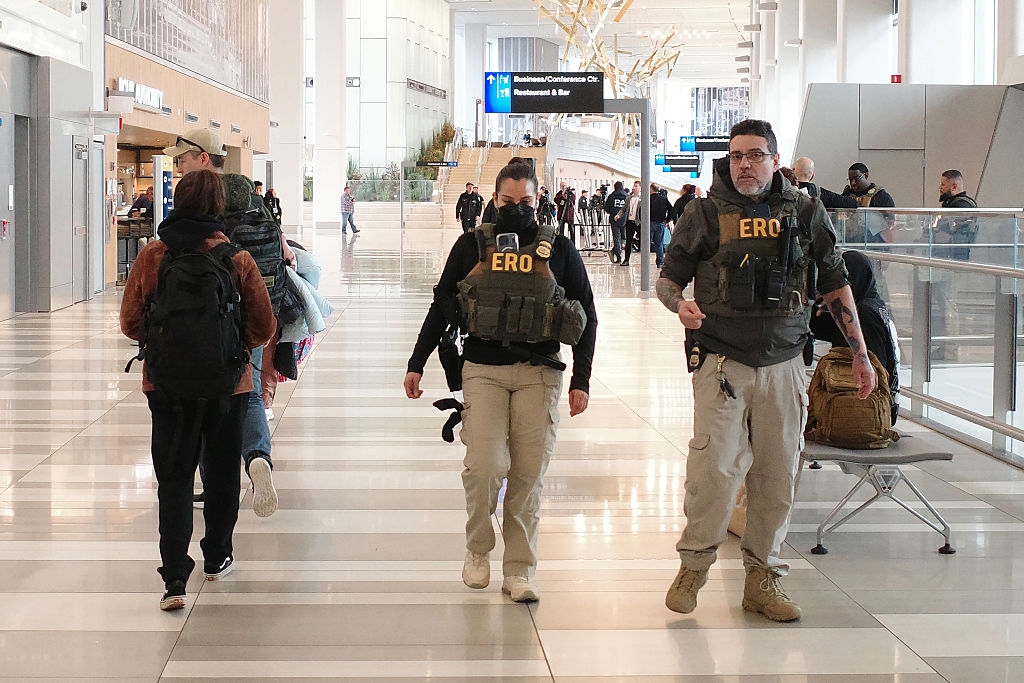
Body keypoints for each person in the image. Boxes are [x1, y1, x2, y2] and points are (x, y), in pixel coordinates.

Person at [656, 119, 874, 622]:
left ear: (775, 160)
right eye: (736, 156)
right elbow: (669, 279)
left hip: (784, 365)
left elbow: (836, 285)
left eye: (755, 155)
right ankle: (694, 567)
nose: (745, 164)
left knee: (777, 477)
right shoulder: (704, 213)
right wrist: (679, 305)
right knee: (712, 472)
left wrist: (861, 354)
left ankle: (763, 577)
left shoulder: (805, 210)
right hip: (722, 363)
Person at [403, 158, 598, 603]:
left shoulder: (560, 249)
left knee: (529, 477)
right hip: (483, 369)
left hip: (541, 372)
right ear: (494, 199)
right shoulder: (471, 246)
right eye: (508, 201)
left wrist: (581, 379)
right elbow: (441, 305)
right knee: (485, 467)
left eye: (525, 202)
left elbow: (586, 315)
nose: (517, 209)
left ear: (539, 199)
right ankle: (478, 550)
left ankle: (520, 571)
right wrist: (418, 361)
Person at [119, 169, 276, 611]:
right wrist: (230, 346)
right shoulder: (236, 258)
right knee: (222, 474)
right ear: (218, 207)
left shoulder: (153, 255)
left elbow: (129, 322)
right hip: (228, 386)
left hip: (166, 386)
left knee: (173, 479)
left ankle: (173, 579)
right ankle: (217, 555)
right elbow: (262, 327)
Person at [162, 129, 285, 517]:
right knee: (245, 396)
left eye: (181, 159)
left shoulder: (200, 205)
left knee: (198, 400)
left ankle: (209, 480)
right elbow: (280, 250)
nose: (178, 166)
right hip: (249, 314)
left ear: (202, 158)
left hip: (198, 327)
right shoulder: (249, 194)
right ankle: (257, 459)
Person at [810, 250, 900, 426]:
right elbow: (823, 328)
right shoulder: (873, 304)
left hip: (871, 410)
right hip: (883, 407)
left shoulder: (866, 314)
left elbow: (875, 363)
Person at [819, 163, 896, 243]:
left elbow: (890, 223)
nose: (853, 183)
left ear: (866, 175)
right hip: (848, 242)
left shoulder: (881, 197)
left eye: (856, 178)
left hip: (873, 244)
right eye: (850, 179)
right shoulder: (847, 195)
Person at [649, 183, 673, 268]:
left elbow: (642, 210)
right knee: (659, 244)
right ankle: (660, 262)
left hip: (650, 222)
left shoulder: (648, 199)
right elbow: (671, 209)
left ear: (651, 189)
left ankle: (645, 261)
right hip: (661, 223)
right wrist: (667, 219)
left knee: (647, 243)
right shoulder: (664, 199)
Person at [605, 181, 629, 263]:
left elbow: (606, 208)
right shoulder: (626, 196)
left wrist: (612, 211)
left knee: (616, 237)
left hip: (614, 219)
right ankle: (616, 251)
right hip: (624, 220)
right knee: (623, 237)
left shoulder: (612, 196)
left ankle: (617, 255)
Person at [620, 181, 642, 266]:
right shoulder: (629, 198)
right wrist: (618, 215)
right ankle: (626, 260)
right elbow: (623, 208)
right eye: (634, 186)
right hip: (629, 222)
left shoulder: (644, 198)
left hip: (639, 223)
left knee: (642, 241)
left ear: (640, 188)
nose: (634, 188)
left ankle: (643, 259)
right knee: (628, 241)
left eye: (636, 186)